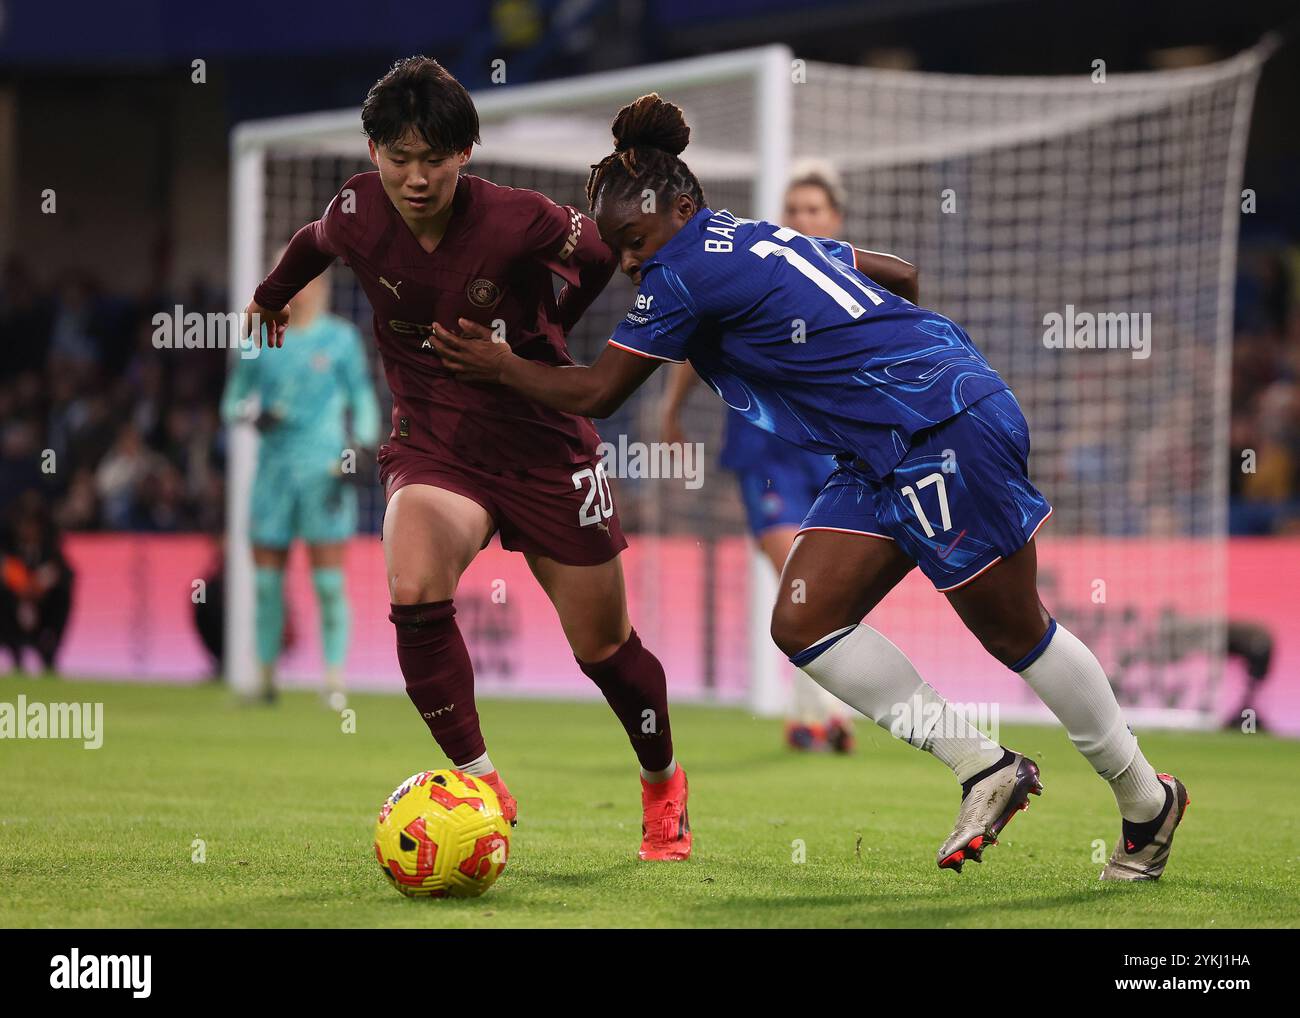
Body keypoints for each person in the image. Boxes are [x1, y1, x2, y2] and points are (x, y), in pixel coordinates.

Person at [431, 93, 1189, 881]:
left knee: (1013, 632)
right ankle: (983, 765)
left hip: (940, 430)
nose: (629, 262)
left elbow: (594, 393)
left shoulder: (682, 271)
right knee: (805, 620)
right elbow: (900, 274)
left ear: (682, 208)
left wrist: (497, 365)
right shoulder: (752, 236)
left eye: (635, 240)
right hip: (892, 440)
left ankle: (1146, 802)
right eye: (618, 248)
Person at [240, 58, 691, 860]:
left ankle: (662, 786)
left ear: (466, 153)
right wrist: (273, 295)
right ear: (373, 150)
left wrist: (541, 334)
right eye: (397, 156)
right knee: (413, 585)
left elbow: (598, 253)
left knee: (606, 652)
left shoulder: (518, 218)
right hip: (438, 444)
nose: (415, 177)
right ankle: (478, 782)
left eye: (434, 159)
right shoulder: (356, 207)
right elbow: (315, 241)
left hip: (544, 445)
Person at [659, 161, 917, 753]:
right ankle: (829, 711)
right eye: (793, 210)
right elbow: (700, 341)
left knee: (822, 589)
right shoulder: (758, 274)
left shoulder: (855, 282)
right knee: (793, 576)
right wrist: (671, 411)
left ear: (836, 220)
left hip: (833, 450)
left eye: (813, 211)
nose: (802, 219)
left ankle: (807, 714)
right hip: (764, 450)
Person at [223, 270, 378, 709]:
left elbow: (362, 398)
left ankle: (333, 681)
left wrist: (361, 446)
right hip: (273, 475)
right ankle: (266, 678)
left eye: (303, 279)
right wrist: (252, 412)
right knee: (268, 584)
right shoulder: (256, 339)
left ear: (322, 286)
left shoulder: (341, 340)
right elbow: (231, 400)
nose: (297, 287)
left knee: (328, 583)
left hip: (324, 472)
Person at [0, 492, 74, 676]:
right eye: (24, 525)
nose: (28, 530)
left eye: (33, 525)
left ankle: (48, 652)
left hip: (43, 607)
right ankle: (14, 652)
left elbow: (64, 574)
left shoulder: (51, 552)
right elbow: (10, 574)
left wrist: (39, 588)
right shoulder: (10, 551)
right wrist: (22, 592)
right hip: (12, 606)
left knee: (62, 596)